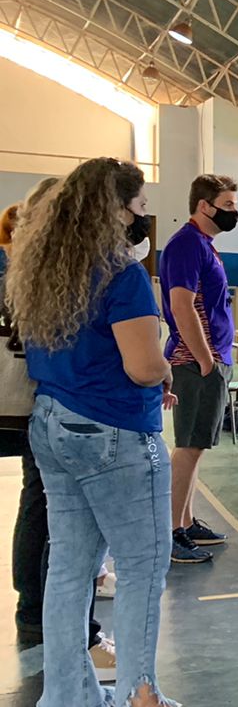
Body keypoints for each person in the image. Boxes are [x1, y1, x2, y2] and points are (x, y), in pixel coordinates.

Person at [10, 158, 215, 707]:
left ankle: (69, 697)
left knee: (70, 565)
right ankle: (141, 703)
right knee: (144, 567)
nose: (144, 216)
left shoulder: (47, 273)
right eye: (139, 206)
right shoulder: (121, 276)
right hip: (114, 433)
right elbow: (144, 366)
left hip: (53, 423)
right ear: (114, 210)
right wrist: (164, 374)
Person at [4, 182, 110, 668]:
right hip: (37, 404)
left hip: (33, 403)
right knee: (58, 522)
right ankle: (66, 629)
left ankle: (34, 613)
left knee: (41, 511)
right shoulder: (49, 272)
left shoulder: (31, 269)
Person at [159, 173, 238, 565]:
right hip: (195, 363)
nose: (233, 211)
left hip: (209, 360)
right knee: (188, 447)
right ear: (204, 206)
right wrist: (205, 360)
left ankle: (185, 522)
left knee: (196, 446)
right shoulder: (188, 244)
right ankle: (170, 533)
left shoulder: (205, 245)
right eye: (227, 205)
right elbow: (181, 306)